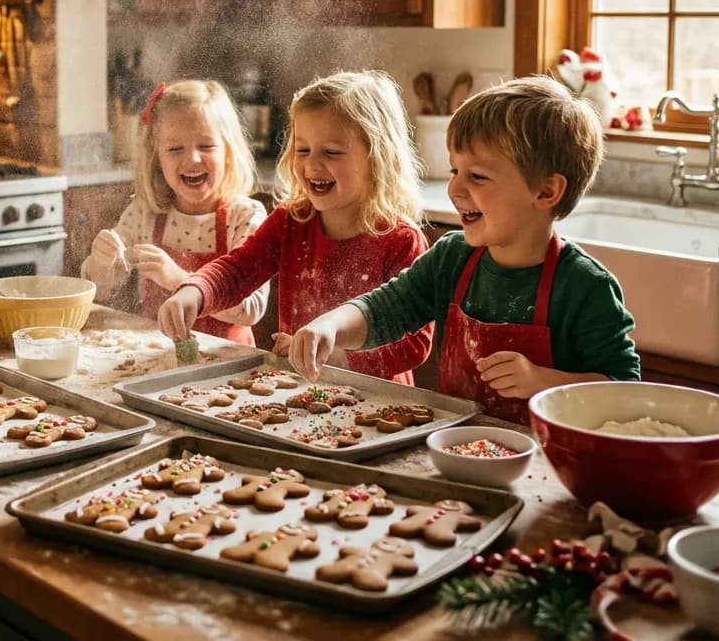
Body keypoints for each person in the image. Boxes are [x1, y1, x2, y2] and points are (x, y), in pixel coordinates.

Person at [274, 75, 641, 423]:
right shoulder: (452, 259)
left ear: (545, 192)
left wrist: (542, 381)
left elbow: (624, 392)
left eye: (477, 176)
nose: (455, 190)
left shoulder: (585, 287)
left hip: (550, 462)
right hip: (458, 445)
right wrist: (331, 325)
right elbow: (386, 308)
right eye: (454, 171)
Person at [159, 70, 432, 384]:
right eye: (303, 150)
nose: (312, 164)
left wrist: (342, 356)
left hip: (380, 403)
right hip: (299, 391)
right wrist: (195, 291)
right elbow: (237, 270)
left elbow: (415, 342)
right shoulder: (291, 223)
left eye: (331, 152)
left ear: (377, 156)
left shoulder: (400, 241)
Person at [81, 79, 268, 345]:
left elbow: (251, 308)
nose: (192, 159)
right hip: (158, 359)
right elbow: (100, 291)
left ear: (228, 152)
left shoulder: (244, 217)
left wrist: (179, 280)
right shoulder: (144, 214)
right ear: (157, 158)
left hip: (228, 367)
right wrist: (102, 261)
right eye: (175, 149)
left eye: (206, 146)